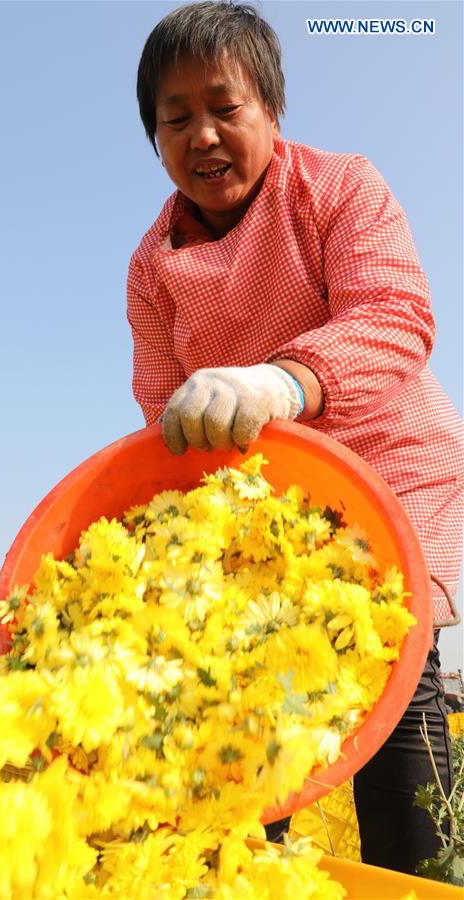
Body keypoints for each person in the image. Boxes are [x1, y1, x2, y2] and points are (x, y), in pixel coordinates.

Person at [126, 0, 463, 876]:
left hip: (387, 470)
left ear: (271, 108)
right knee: (243, 717)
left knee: (393, 680)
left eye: (224, 106)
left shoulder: (342, 186)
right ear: (154, 140)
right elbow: (163, 407)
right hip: (260, 517)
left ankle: (413, 886)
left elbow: (395, 314)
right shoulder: (149, 266)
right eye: (175, 118)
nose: (202, 134)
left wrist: (281, 381)